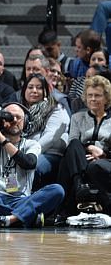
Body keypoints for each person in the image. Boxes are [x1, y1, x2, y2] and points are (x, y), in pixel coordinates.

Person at [0, 102, 65, 228]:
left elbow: (29, 163)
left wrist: (1, 138)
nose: (14, 120)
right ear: (1, 120)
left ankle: (5, 219)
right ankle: (22, 217)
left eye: (18, 117)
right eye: (10, 117)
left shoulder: (31, 144)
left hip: (21, 200)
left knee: (57, 190)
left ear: (26, 122)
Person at [58, 75, 111, 217]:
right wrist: (89, 148)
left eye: (98, 95)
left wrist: (104, 153)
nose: (93, 99)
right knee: (74, 145)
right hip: (81, 157)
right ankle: (79, 186)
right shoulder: (77, 117)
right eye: (90, 95)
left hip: (105, 159)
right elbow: (72, 141)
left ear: (106, 98)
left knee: (94, 166)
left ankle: (66, 209)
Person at [21, 73, 70, 190]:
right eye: (30, 87)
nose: (34, 90)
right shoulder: (20, 110)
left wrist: (28, 156)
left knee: (33, 168)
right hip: (24, 154)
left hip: (49, 154)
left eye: (39, 87)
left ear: (45, 91)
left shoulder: (56, 108)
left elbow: (50, 137)